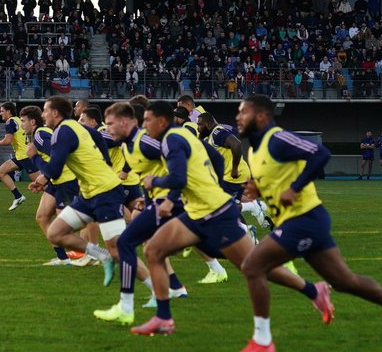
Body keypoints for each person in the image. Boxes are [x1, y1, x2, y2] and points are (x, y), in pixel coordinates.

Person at [236, 94, 382, 352]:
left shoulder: (277, 138)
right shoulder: (255, 150)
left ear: (261, 116)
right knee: (344, 281)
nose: (238, 117)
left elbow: (320, 153)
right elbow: (276, 177)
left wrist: (295, 187)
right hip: (303, 222)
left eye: (243, 112)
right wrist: (260, 188)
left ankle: (262, 341)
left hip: (304, 220)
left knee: (252, 265)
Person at [131, 101, 317, 337]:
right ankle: (164, 317)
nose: (144, 125)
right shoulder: (183, 137)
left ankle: (310, 290)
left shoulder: (177, 139)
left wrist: (154, 183)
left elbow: (178, 177)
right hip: (197, 210)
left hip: (214, 211)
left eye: (147, 120)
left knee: (252, 265)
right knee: (153, 249)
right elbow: (215, 162)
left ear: (161, 121)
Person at [93, 101, 188, 326]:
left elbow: (180, 169)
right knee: (142, 246)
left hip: (179, 202)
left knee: (131, 244)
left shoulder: (146, 143)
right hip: (161, 202)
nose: (106, 130)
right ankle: (168, 294)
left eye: (110, 124)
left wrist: (173, 198)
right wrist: (145, 203)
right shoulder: (127, 147)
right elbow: (149, 177)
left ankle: (131, 307)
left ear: (126, 122)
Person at [32, 95, 123, 285]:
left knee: (123, 249)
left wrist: (35, 158)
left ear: (55, 113)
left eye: (46, 110)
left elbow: (54, 170)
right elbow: (97, 135)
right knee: (55, 232)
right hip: (88, 190)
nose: (43, 115)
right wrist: (106, 160)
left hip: (103, 189)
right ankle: (98, 254)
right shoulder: (72, 126)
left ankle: (160, 291)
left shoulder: (59, 132)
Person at [24, 105, 78, 266]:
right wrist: (44, 177)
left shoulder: (40, 135)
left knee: (65, 225)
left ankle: (90, 253)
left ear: (33, 121)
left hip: (67, 180)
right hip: (56, 180)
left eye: (23, 121)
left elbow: (58, 156)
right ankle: (64, 258)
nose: (21, 125)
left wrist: (34, 158)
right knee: (42, 217)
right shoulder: (40, 135)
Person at [0, 102, 39, 210]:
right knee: (0, 172)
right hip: (21, 156)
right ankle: (18, 196)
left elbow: (8, 140)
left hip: (25, 157)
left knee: (42, 184)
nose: (0, 113)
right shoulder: (19, 120)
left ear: (8, 111)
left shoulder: (10, 122)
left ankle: (63, 201)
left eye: (2, 111)